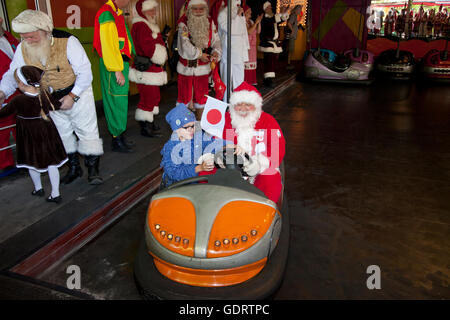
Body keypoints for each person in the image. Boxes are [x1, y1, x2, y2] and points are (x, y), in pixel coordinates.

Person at [0, 10, 104, 185]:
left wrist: (72, 96)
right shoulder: (22, 47)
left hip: (78, 92)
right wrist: (2, 92)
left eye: (32, 37)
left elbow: (85, 73)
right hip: (50, 98)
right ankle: (74, 168)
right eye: (23, 37)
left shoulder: (68, 42)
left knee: (87, 132)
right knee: (63, 135)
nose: (27, 41)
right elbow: (13, 73)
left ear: (45, 31)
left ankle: (93, 170)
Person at [0, 66, 67, 203]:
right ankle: (55, 193)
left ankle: (38, 188)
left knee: (31, 161)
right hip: (48, 132)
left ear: (23, 83)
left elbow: (3, 114)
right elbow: (57, 106)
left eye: (17, 82)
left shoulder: (18, 100)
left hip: (29, 136)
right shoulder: (44, 94)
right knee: (52, 162)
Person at [223, 81, 285, 203]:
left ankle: (264, 215)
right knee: (207, 172)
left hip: (261, 168)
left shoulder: (268, 121)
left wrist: (257, 165)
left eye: (248, 105)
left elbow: (277, 150)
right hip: (232, 168)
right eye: (239, 105)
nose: (243, 109)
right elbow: (216, 143)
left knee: (270, 178)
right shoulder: (226, 120)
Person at [94, 0, 135, 153]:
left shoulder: (116, 12)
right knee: (115, 100)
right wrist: (117, 69)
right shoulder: (107, 13)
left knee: (121, 100)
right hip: (113, 65)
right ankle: (116, 139)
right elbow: (108, 45)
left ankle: (120, 135)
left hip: (119, 63)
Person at [176, 0, 222, 120]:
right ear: (189, 10)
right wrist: (200, 54)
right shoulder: (183, 23)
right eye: (195, 9)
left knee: (202, 97)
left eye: (201, 8)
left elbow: (216, 41)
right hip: (186, 68)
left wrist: (216, 52)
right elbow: (185, 44)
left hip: (202, 68)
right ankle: (183, 126)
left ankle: (200, 124)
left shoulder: (210, 22)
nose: (198, 11)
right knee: (183, 97)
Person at [129, 0, 168, 138]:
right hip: (146, 70)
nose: (153, 12)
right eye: (150, 10)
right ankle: (145, 127)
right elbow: (147, 48)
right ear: (142, 11)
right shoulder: (141, 25)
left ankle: (149, 122)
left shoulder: (148, 24)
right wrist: (161, 53)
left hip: (151, 69)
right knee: (148, 98)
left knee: (154, 97)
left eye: (154, 9)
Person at [160, 103, 223, 187]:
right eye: (186, 127)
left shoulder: (197, 136)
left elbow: (211, 143)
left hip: (196, 181)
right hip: (178, 186)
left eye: (193, 126)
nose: (191, 130)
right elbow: (174, 174)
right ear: (176, 130)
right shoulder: (170, 148)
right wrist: (199, 168)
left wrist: (228, 146)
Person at [217, 0, 249, 101]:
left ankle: (239, 102)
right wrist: (237, 16)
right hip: (228, 51)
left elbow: (243, 32)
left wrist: (245, 48)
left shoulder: (239, 13)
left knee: (239, 79)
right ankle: (226, 102)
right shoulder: (223, 14)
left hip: (238, 51)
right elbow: (229, 29)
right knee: (226, 79)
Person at [0, 17, 19, 173]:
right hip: (3, 92)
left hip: (19, 89)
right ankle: (4, 164)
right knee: (3, 129)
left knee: (23, 126)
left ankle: (28, 158)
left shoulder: (9, 36)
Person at [258, 1, 289, 88]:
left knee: (272, 62)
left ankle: (268, 79)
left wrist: (285, 13)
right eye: (268, 7)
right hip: (267, 43)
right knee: (269, 62)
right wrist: (281, 13)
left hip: (273, 43)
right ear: (265, 9)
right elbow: (272, 21)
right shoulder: (264, 18)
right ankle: (268, 80)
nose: (270, 8)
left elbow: (282, 19)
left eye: (271, 7)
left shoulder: (272, 17)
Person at [243, 5, 262, 85]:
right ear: (245, 13)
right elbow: (249, 32)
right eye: (249, 11)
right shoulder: (242, 22)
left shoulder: (251, 21)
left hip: (253, 46)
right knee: (247, 63)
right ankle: (246, 81)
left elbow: (258, 31)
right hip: (246, 46)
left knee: (252, 63)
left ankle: (252, 81)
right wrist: (256, 22)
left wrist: (259, 22)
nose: (251, 12)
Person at [285, 5, 303, 69]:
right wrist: (292, 31)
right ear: (296, 10)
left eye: (300, 10)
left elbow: (293, 24)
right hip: (291, 36)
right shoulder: (293, 15)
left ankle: (288, 63)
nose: (300, 11)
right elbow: (289, 23)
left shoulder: (295, 16)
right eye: (299, 10)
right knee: (290, 50)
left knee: (290, 50)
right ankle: (288, 64)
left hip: (293, 35)